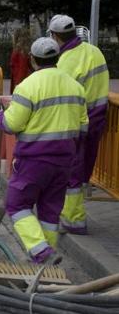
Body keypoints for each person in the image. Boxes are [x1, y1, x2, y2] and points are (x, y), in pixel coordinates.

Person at [0, 37, 88, 263]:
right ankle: (45, 265)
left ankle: (41, 251)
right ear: (57, 58)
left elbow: (13, 124)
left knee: (16, 205)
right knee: (49, 212)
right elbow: (83, 127)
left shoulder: (28, 86)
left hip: (33, 161)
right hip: (64, 161)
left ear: (33, 60)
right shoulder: (75, 86)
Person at [48, 15, 110, 235]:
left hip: (75, 122)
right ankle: (71, 212)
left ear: (55, 36)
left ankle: (74, 219)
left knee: (71, 171)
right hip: (97, 118)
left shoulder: (65, 62)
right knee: (83, 169)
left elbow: (61, 96)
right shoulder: (95, 51)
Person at [10, 28, 32, 94]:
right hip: (21, 78)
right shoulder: (24, 49)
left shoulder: (20, 50)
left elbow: (22, 68)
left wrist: (18, 84)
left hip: (19, 79)